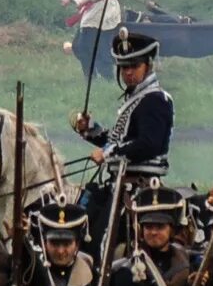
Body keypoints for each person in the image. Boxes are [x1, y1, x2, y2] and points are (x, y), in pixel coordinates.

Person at [72, 29, 174, 184]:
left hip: (140, 185)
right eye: (124, 67)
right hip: (120, 181)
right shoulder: (137, 99)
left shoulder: (155, 99)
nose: (128, 72)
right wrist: (90, 128)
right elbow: (119, 140)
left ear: (148, 65)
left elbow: (147, 144)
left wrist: (107, 154)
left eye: (135, 66)